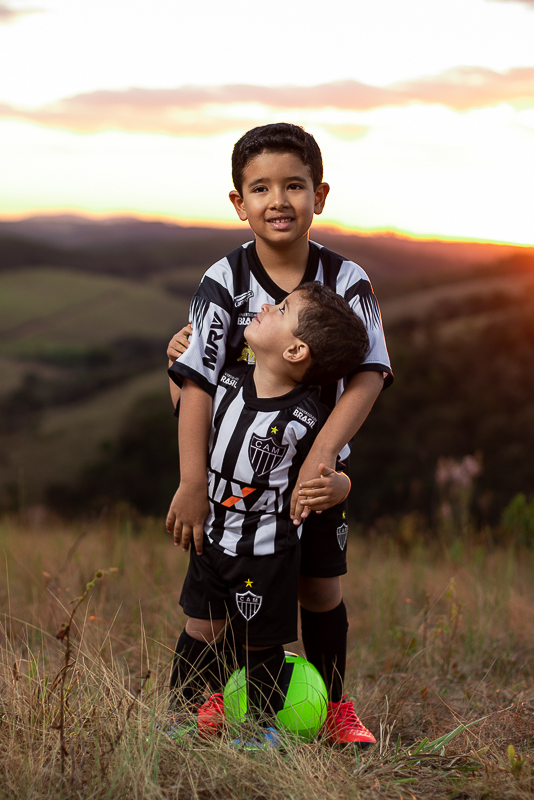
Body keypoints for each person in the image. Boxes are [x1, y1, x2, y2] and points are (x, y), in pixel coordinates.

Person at [166, 122, 392, 745]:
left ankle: (334, 706)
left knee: (319, 587)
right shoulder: (225, 281)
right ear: (239, 203)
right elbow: (195, 385)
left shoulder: (346, 280)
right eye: (260, 187)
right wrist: (191, 483)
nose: (278, 200)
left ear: (319, 195)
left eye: (293, 185)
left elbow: (370, 375)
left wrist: (322, 465)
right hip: (234, 486)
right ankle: (207, 706)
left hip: (313, 475)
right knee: (216, 601)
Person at [166, 281, 369, 743]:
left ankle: (260, 730)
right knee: (200, 628)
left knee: (262, 645)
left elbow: (330, 471)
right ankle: (177, 716)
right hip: (213, 538)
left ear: (296, 350)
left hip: (267, 552)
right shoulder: (229, 380)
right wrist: (173, 365)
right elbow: (185, 408)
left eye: (280, 308)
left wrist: (341, 485)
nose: (263, 306)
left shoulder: (307, 418)